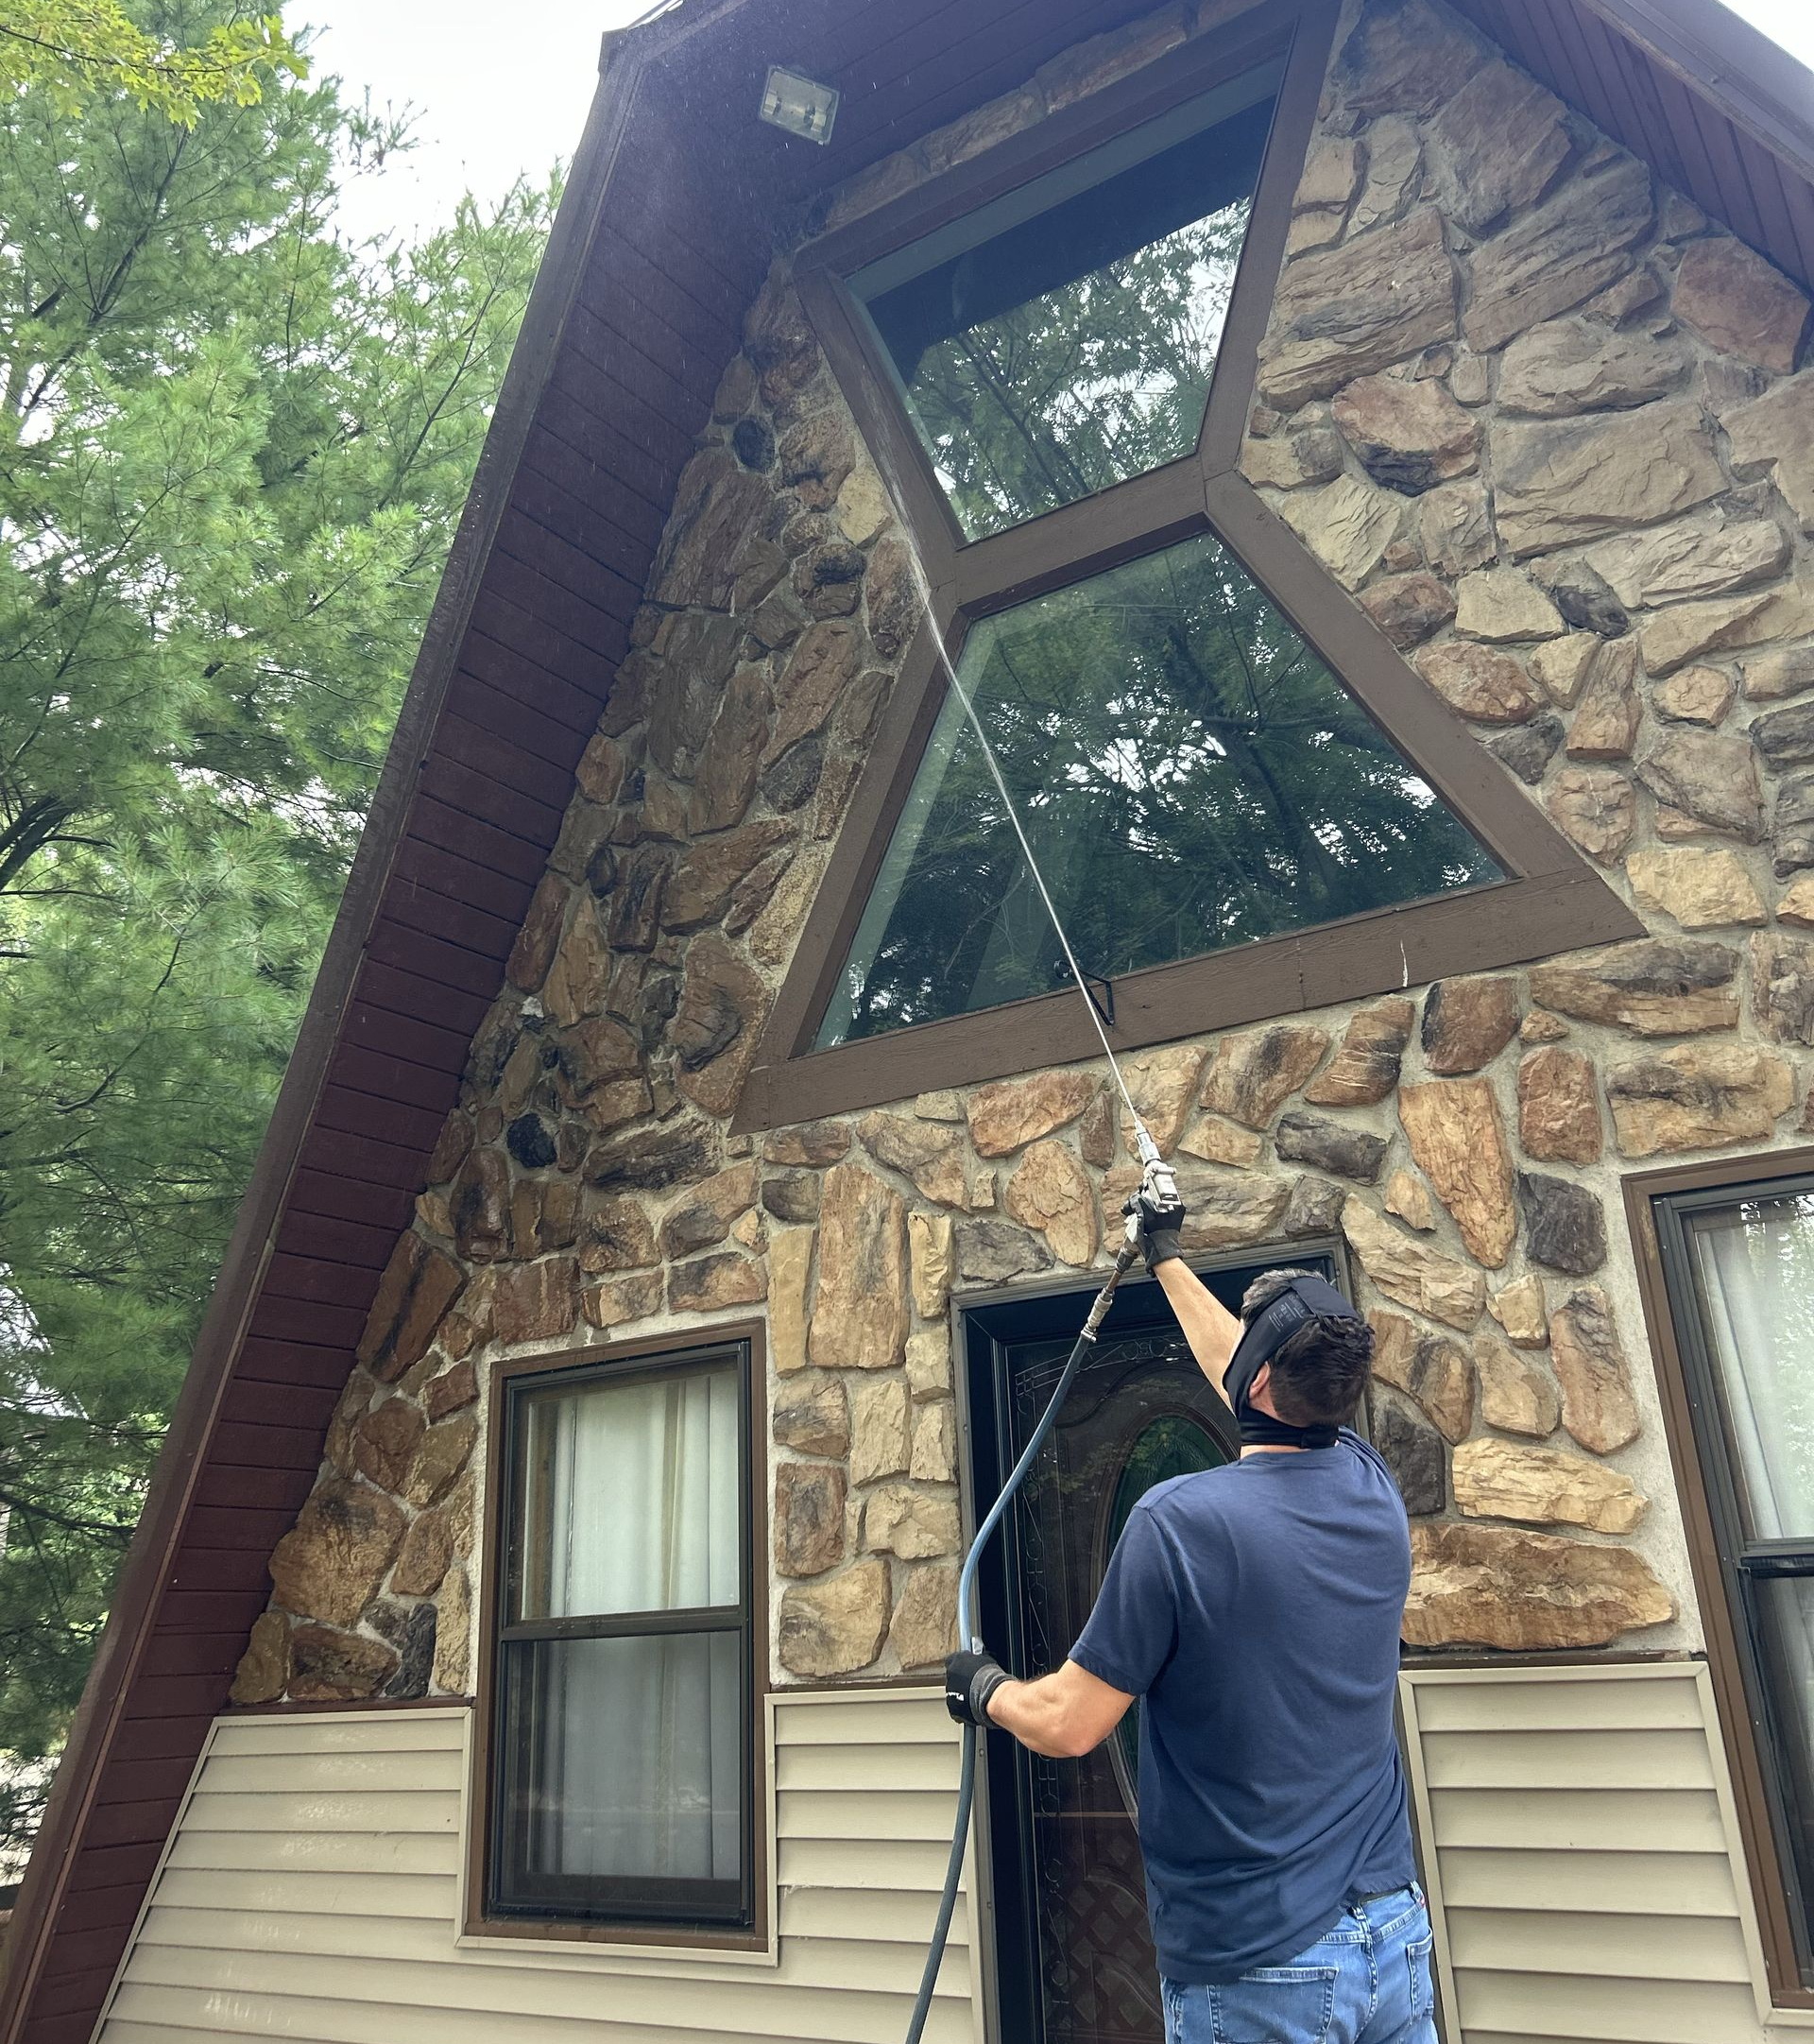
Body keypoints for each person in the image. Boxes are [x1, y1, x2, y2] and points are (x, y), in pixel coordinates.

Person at [945, 1176, 1436, 2044]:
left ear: (1258, 1379)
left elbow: (1069, 1723)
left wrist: (985, 1689)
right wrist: (1165, 1257)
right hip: (1392, 1936)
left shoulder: (1179, 1522)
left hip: (1261, 1966)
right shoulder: (1371, 1486)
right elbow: (1246, 1374)